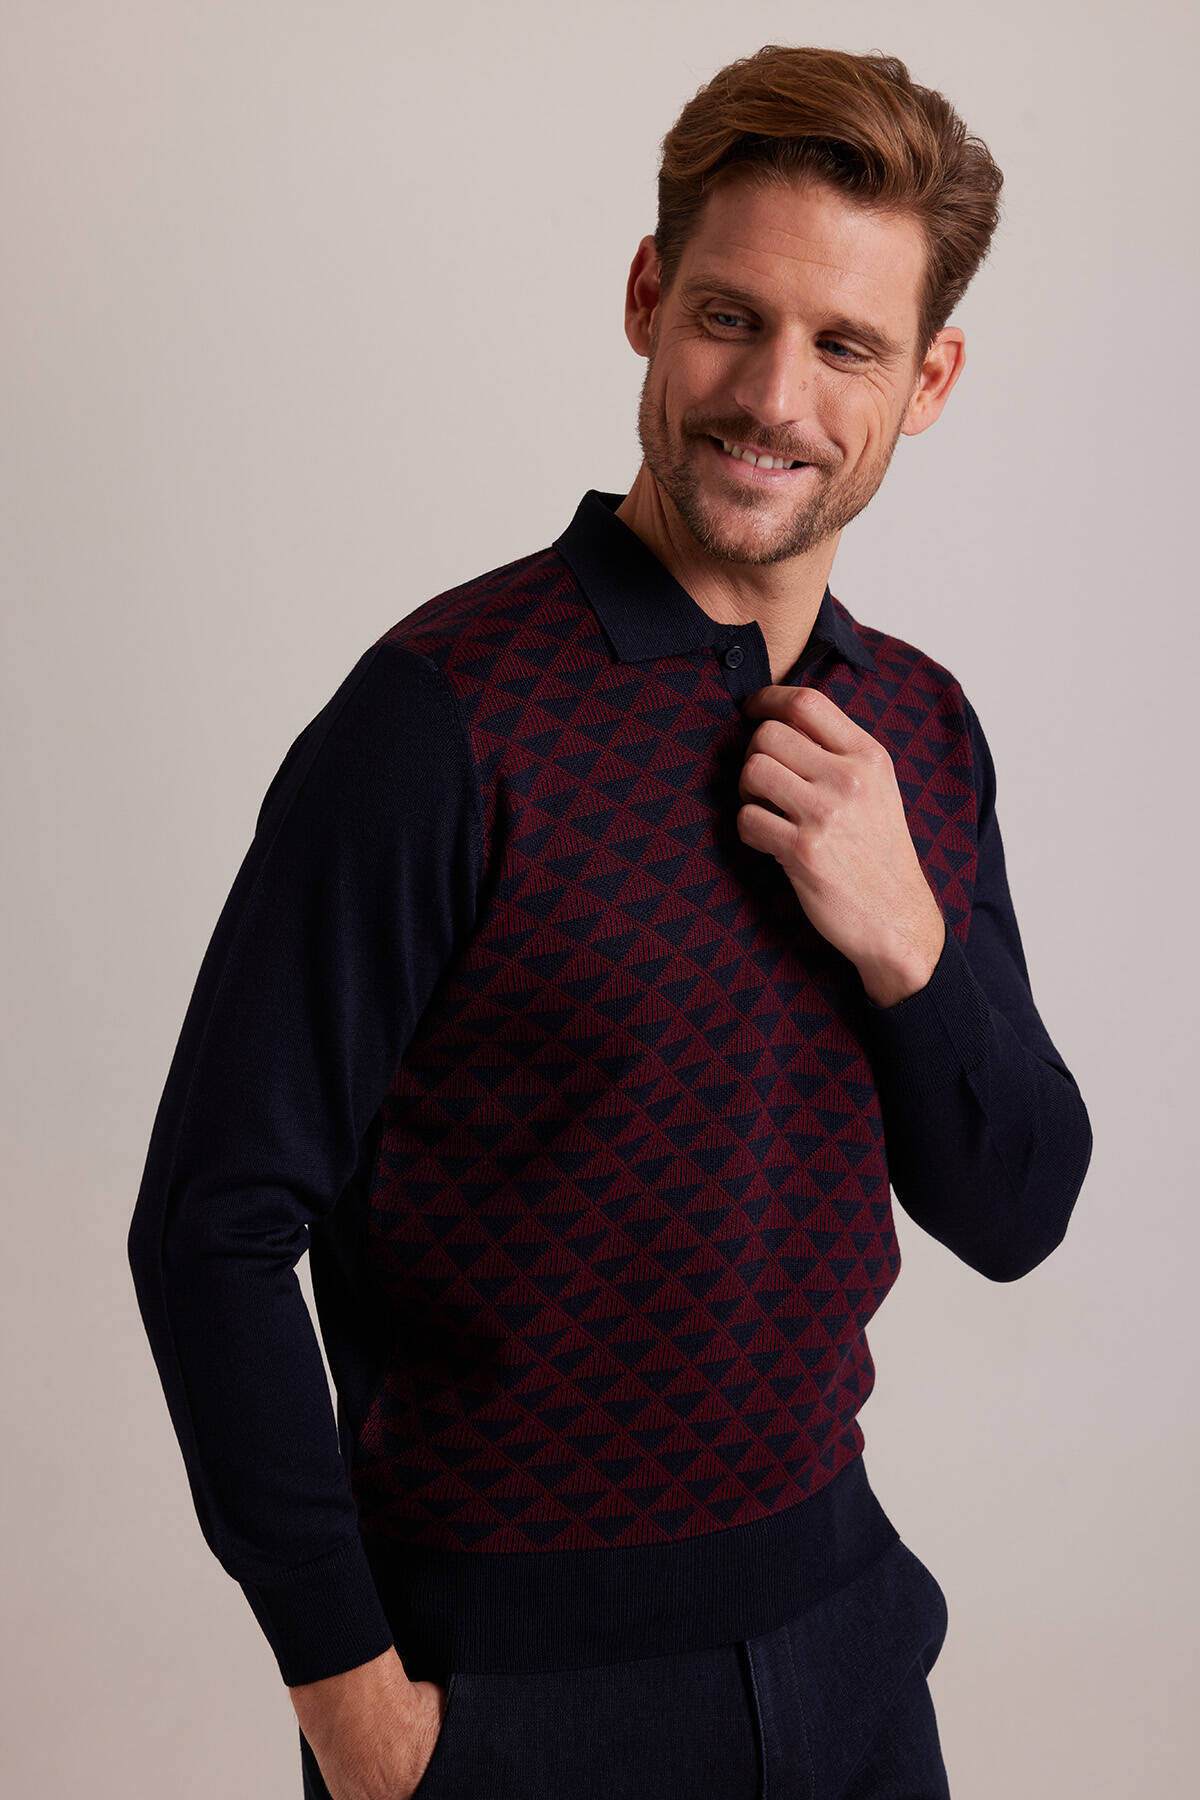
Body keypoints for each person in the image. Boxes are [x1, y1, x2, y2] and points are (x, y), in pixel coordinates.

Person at [127, 42, 1093, 1800]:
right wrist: (356, 1711)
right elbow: (211, 1226)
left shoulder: (918, 732)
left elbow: (1018, 1207)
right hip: (503, 1698)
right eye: (731, 318)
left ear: (929, 380)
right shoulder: (441, 721)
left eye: (847, 345)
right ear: (649, 299)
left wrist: (909, 944)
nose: (774, 396)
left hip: (853, 1652)